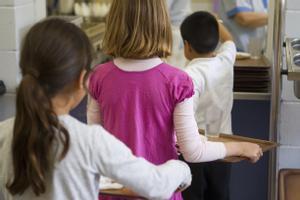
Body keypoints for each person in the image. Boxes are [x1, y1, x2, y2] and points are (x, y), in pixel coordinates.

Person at [0, 18, 193, 200]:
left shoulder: (5, 133)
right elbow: (155, 185)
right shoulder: (90, 141)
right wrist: (181, 169)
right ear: (81, 80)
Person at [87, 1, 263, 200]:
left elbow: (95, 143)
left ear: (113, 23)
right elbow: (193, 152)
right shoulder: (177, 81)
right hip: (163, 192)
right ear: (162, 25)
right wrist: (240, 147)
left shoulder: (98, 77)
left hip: (113, 192)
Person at [179, 11, 242, 200]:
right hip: (223, 148)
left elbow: (185, 115)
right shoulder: (225, 61)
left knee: (192, 196)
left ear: (187, 46)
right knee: (220, 195)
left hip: (194, 151)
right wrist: (215, 20)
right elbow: (230, 40)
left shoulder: (188, 75)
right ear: (215, 42)